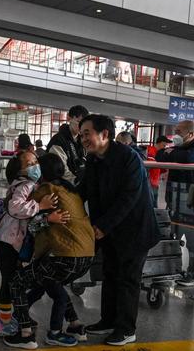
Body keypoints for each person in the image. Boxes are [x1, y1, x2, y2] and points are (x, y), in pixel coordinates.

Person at [78, 114, 159, 346]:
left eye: (87, 133)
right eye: (81, 134)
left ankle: (126, 329)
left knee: (128, 279)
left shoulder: (128, 158)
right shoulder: (93, 159)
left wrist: (103, 226)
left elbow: (129, 197)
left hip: (134, 230)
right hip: (111, 230)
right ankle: (108, 320)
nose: (83, 138)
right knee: (110, 274)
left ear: (104, 134)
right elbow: (83, 190)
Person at [3, 153, 93, 349]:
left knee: (17, 282)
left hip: (64, 257)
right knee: (50, 282)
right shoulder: (71, 190)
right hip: (85, 256)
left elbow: (27, 219)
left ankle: (26, 332)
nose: (34, 167)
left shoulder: (45, 190)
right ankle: (75, 324)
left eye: (36, 164)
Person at [0, 151, 59, 339]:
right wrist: (41, 207)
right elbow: (15, 207)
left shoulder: (27, 184)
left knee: (13, 281)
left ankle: (13, 317)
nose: (35, 165)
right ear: (20, 170)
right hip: (7, 242)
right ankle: (3, 322)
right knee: (9, 282)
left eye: (36, 161)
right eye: (30, 163)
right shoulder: (26, 185)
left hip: (11, 241)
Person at [155, 120, 194, 287]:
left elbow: (189, 157)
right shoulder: (177, 148)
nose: (174, 136)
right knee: (173, 235)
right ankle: (172, 269)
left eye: (178, 132)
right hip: (176, 201)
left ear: (190, 134)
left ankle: (193, 272)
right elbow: (159, 155)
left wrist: (171, 153)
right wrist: (171, 153)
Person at [47, 105, 89, 184]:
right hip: (63, 186)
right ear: (69, 119)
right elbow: (62, 171)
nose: (81, 127)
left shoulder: (81, 139)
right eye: (78, 122)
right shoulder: (58, 141)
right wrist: (77, 183)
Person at [147, 136, 172, 206]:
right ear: (160, 143)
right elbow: (151, 166)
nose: (165, 146)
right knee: (151, 204)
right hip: (150, 183)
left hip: (155, 182)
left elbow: (161, 169)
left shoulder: (159, 153)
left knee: (153, 203)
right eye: (164, 145)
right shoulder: (151, 151)